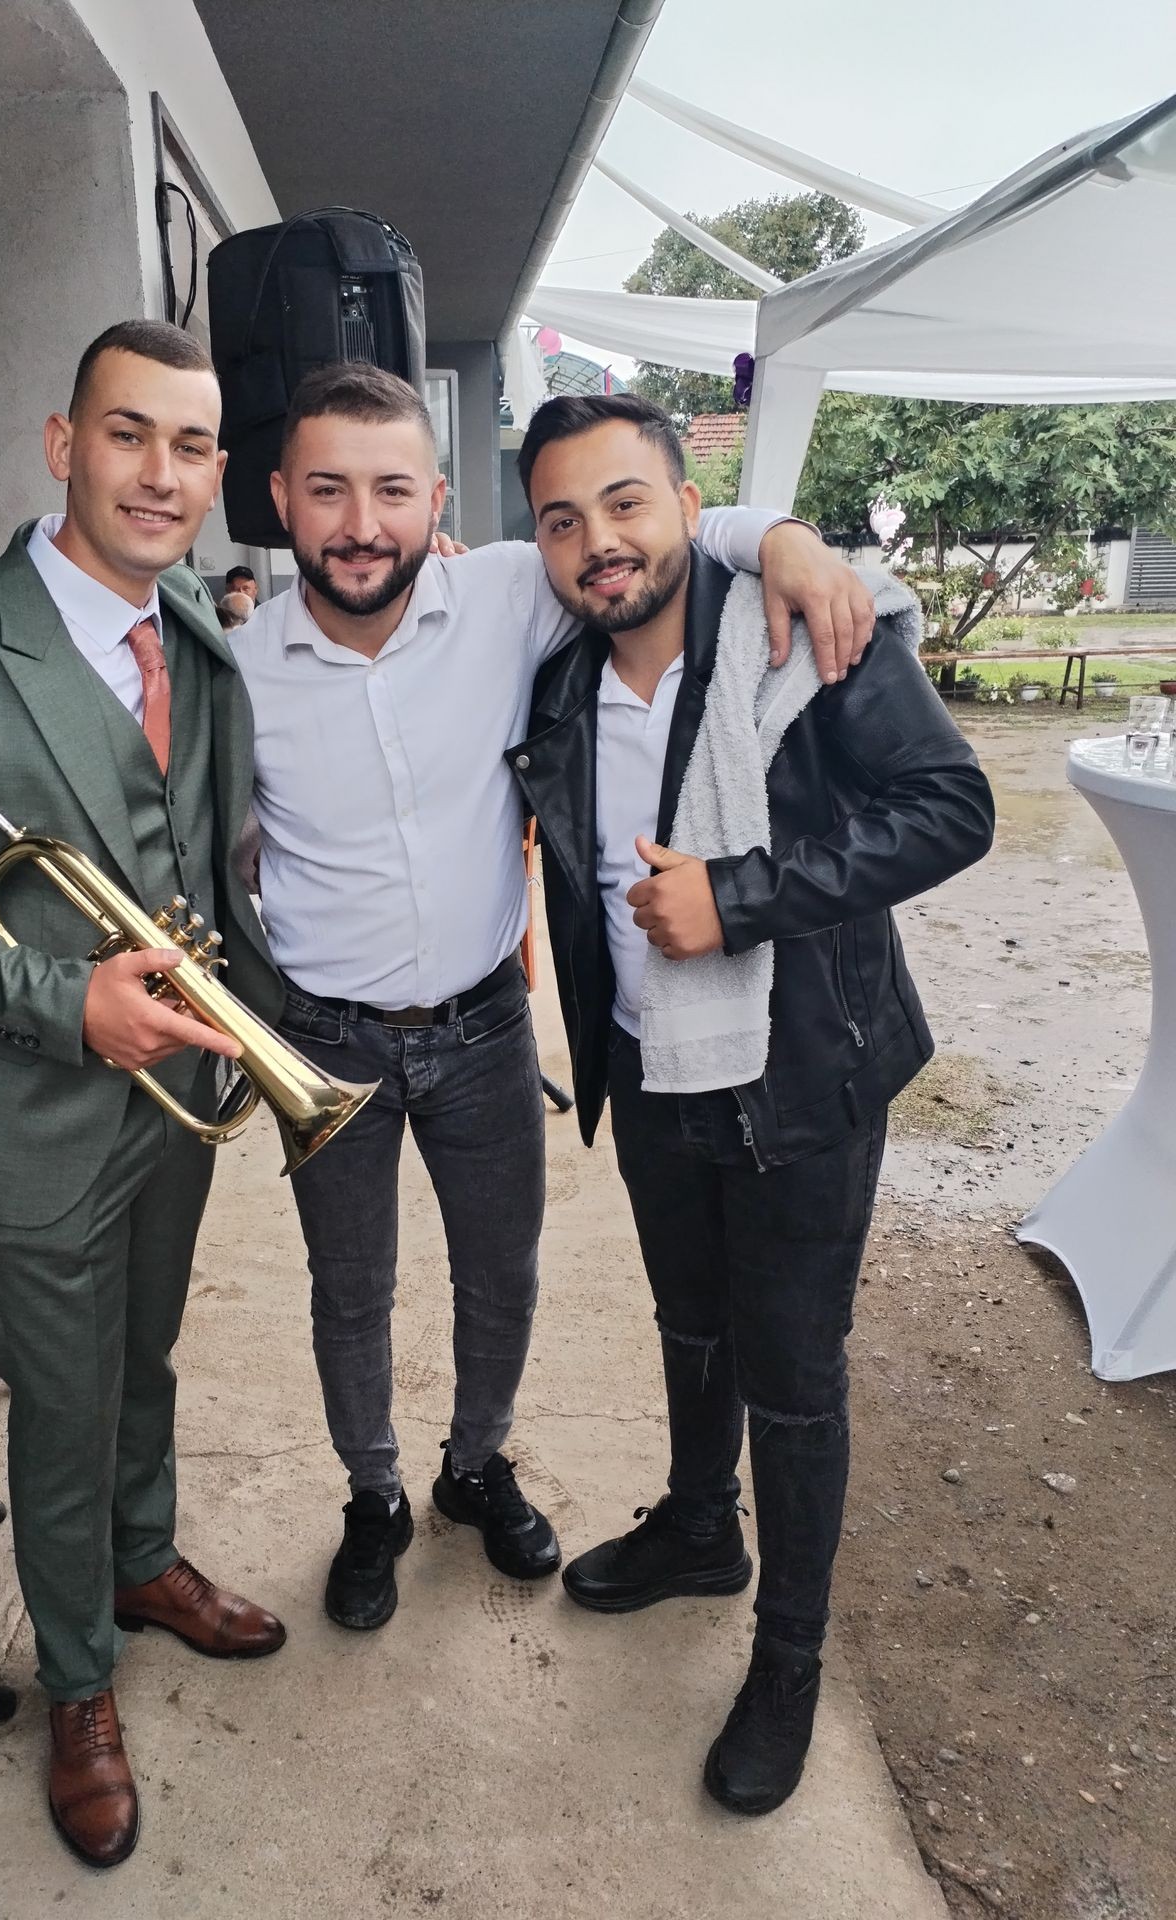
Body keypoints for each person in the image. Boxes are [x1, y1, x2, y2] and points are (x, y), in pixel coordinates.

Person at [233, 363, 876, 1634]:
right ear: (279, 501)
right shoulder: (235, 666)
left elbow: (656, 530)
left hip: (481, 1028)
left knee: (501, 1276)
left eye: (392, 489)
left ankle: (474, 1469)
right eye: (328, 490)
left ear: (437, 502)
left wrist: (790, 536)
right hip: (321, 1040)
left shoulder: (509, 592)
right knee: (349, 1289)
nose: (362, 521)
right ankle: (373, 1499)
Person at [0, 320, 287, 1870]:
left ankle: (141, 1561)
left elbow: (210, 860)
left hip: (180, 1098)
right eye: (131, 434)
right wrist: (65, 1005)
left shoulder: (199, 645)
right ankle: (76, 1675)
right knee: (64, 1397)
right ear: (59, 445)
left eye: (194, 445)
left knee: (140, 1352)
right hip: (32, 1111)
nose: (163, 474)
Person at [506, 393, 994, 1816]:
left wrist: (741, 897)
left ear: (684, 507)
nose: (599, 543)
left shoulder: (804, 635)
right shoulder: (558, 675)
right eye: (561, 518)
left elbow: (953, 804)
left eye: (626, 504)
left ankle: (789, 1658)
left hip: (804, 1073)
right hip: (651, 1067)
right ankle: (700, 1531)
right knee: (690, 1319)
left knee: (793, 1376)